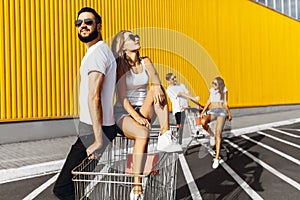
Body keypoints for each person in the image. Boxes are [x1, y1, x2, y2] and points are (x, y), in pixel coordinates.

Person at [53, 7, 117, 199]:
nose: (83, 26)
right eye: (78, 23)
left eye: (88, 22)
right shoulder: (99, 51)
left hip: (94, 131)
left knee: (63, 188)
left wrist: (98, 140)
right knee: (77, 186)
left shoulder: (97, 53)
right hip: (96, 128)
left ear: (99, 26)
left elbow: (94, 97)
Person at [111, 31, 182, 200]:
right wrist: (137, 118)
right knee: (143, 134)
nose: (136, 38)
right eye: (131, 37)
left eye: (136, 36)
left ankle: (165, 135)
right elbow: (123, 99)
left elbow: (156, 80)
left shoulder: (146, 61)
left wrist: (156, 86)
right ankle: (137, 187)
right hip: (125, 112)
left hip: (144, 108)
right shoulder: (121, 65)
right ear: (123, 46)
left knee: (156, 89)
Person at [200, 76, 232, 169]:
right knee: (203, 122)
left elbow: (225, 103)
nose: (213, 85)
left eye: (215, 83)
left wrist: (229, 114)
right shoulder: (212, 90)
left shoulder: (224, 90)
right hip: (213, 111)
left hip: (222, 112)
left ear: (219, 85)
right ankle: (211, 135)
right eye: (212, 83)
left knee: (218, 133)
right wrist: (203, 111)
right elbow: (209, 101)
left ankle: (217, 158)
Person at [165, 73, 203, 143]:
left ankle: (180, 141)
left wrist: (199, 104)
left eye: (175, 77)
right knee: (180, 126)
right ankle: (178, 142)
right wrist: (194, 98)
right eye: (173, 79)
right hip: (178, 109)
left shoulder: (181, 85)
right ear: (168, 81)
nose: (175, 79)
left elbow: (187, 95)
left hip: (185, 108)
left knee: (192, 123)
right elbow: (180, 94)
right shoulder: (169, 89)